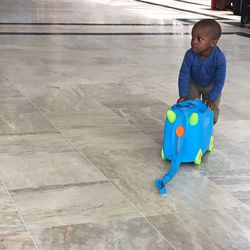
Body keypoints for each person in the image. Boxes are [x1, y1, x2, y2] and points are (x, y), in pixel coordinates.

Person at [177, 19, 226, 124]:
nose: (194, 42)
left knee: (211, 107)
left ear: (213, 42)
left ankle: (208, 125)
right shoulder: (189, 55)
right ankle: (191, 124)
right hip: (194, 83)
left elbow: (219, 81)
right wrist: (183, 95)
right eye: (193, 37)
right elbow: (184, 75)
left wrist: (212, 98)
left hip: (211, 85)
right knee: (189, 104)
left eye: (199, 39)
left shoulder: (219, 58)